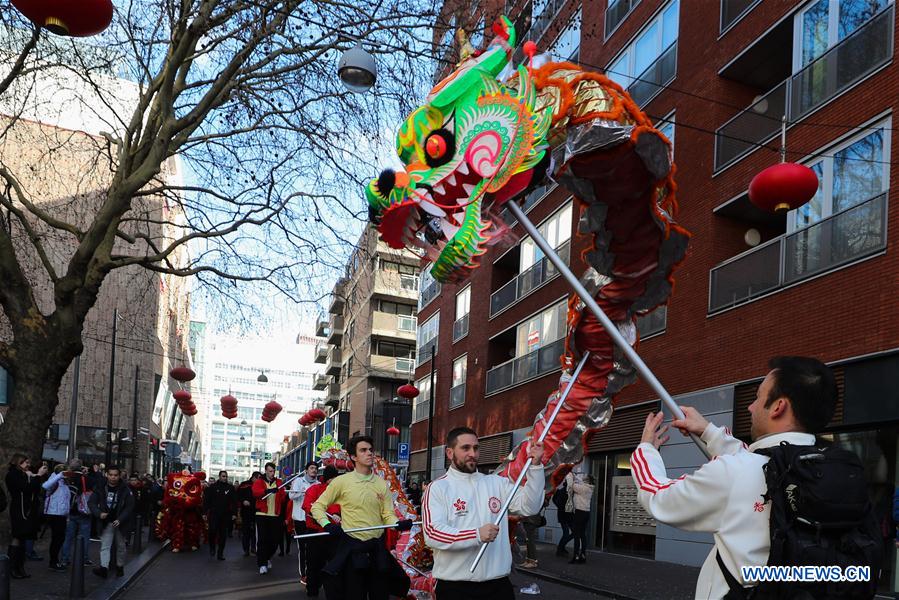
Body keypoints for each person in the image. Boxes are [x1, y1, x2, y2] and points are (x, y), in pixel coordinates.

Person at [631, 356, 838, 599]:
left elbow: (659, 496)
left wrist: (645, 448)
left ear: (778, 406)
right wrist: (708, 431)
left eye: (758, 397)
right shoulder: (827, 468)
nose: (751, 407)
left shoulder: (735, 472)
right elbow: (756, 460)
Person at [422, 427, 545, 600]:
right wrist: (476, 534)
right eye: (465, 448)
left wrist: (536, 466)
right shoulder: (438, 488)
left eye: (476, 448)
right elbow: (432, 534)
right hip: (456, 589)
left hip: (498, 586)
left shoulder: (497, 484)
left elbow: (530, 506)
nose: (472, 453)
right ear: (450, 453)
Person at [311, 435, 413, 600]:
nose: (369, 454)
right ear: (353, 457)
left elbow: (387, 514)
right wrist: (326, 524)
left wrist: (397, 524)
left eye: (371, 450)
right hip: (353, 549)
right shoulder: (341, 482)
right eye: (363, 450)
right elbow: (317, 507)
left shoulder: (381, 484)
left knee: (380, 595)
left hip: (377, 549)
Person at [5, 453, 48, 578]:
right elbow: (26, 488)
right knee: (18, 536)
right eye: (26, 463)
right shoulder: (13, 475)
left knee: (23, 537)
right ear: (19, 462)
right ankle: (12, 567)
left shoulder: (24, 474)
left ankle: (19, 566)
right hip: (20, 509)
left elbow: (35, 489)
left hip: (27, 509)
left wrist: (35, 477)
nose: (29, 465)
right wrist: (37, 476)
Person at [89, 464, 135, 578]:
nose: (113, 477)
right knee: (105, 545)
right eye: (110, 475)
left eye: (115, 475)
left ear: (119, 476)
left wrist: (121, 519)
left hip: (120, 522)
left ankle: (119, 567)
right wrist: (99, 513)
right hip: (106, 522)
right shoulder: (100, 487)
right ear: (106, 475)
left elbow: (129, 506)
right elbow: (92, 502)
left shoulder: (125, 489)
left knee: (121, 546)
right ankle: (104, 568)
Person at [302, 465, 341, 597]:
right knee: (314, 563)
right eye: (333, 478)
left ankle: (333, 591)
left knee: (335, 564)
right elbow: (308, 506)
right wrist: (326, 515)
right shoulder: (314, 489)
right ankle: (312, 589)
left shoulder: (339, 491)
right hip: (316, 533)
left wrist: (338, 514)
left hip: (333, 534)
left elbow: (340, 506)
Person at [252, 463, 287, 575]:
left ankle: (267, 558)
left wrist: (280, 493)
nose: (272, 473)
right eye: (270, 471)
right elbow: (255, 493)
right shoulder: (259, 482)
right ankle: (262, 564)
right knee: (262, 540)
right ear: (266, 471)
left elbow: (282, 497)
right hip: (262, 514)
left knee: (274, 540)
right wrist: (266, 491)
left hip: (275, 515)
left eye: (273, 471)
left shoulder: (279, 483)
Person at [289, 461, 318, 583]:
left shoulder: (318, 483)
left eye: (316, 468)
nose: (314, 470)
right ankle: (304, 574)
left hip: (312, 519)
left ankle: (312, 572)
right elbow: (291, 496)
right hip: (300, 519)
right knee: (302, 547)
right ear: (306, 470)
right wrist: (302, 492)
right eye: (311, 468)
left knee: (312, 548)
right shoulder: (298, 481)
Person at [60, 459, 93, 568]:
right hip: (83, 511)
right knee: (84, 536)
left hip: (70, 510)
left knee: (68, 536)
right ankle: (84, 558)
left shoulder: (66, 478)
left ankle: (65, 558)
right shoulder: (86, 479)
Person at [41, 463, 71, 571]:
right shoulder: (55, 479)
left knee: (59, 538)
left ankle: (54, 560)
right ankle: (53, 562)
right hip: (54, 513)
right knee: (57, 538)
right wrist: (59, 475)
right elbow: (45, 486)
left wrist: (67, 515)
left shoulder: (64, 482)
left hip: (61, 514)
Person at [204, 470, 238, 560]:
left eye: (226, 476)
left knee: (223, 535)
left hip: (225, 514)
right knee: (212, 531)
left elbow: (234, 501)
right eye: (223, 476)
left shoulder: (230, 488)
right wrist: (204, 512)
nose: (225, 478)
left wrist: (234, 513)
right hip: (214, 514)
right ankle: (212, 547)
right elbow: (206, 500)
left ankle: (220, 553)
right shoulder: (213, 487)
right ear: (219, 477)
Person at [566, 472, 594, 564]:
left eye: (584, 477)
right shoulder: (589, 488)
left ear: (587, 480)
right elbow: (578, 481)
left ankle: (576, 556)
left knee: (576, 535)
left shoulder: (583, 488)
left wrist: (570, 475)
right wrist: (575, 476)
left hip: (579, 512)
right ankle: (583, 555)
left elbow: (572, 485)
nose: (582, 478)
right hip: (586, 513)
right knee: (582, 535)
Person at [237, 472, 260, 556]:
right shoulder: (244, 485)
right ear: (254, 478)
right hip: (246, 512)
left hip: (257, 512)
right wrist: (243, 501)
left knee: (255, 531)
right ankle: (246, 549)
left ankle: (253, 548)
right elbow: (238, 495)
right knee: (246, 531)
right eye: (258, 478)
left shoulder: (260, 485)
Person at [551, 476, 573, 556]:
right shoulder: (564, 491)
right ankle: (560, 549)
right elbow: (557, 501)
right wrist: (562, 508)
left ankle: (561, 548)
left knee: (571, 533)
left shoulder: (563, 491)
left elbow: (554, 500)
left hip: (566, 516)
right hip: (565, 516)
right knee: (568, 533)